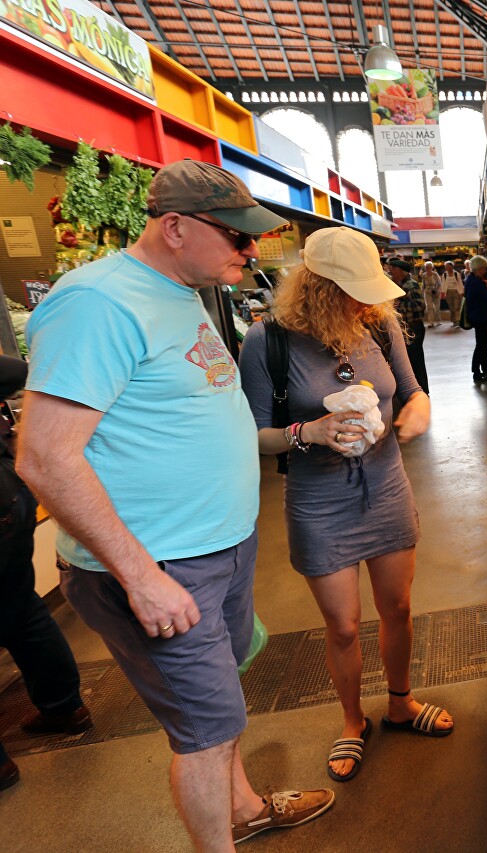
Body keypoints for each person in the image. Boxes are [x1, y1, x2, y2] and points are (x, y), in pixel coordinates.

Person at [16, 159, 334, 849]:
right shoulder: (98, 303)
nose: (250, 251)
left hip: (216, 547)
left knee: (220, 705)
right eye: (238, 238)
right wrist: (140, 576)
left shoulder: (181, 287)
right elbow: (44, 456)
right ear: (175, 227)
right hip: (162, 565)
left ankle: (244, 807)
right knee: (205, 730)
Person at [239, 227, 451, 784]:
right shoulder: (268, 342)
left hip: (385, 487)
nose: (364, 301)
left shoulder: (377, 324)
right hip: (318, 500)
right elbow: (255, 433)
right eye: (350, 291)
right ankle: (353, 721)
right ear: (316, 287)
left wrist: (420, 411)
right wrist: (310, 431)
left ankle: (401, 702)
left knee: (398, 608)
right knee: (342, 627)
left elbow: (412, 388)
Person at [0, 355, 93, 794]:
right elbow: (15, 372)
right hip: (7, 501)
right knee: (22, 610)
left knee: (21, 611)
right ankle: (62, 707)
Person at [386, 258, 430, 393]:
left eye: (392, 269)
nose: (390, 272)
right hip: (406, 328)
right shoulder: (398, 284)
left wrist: (400, 305)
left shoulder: (411, 285)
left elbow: (419, 305)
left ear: (400, 270)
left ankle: (422, 389)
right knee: (409, 359)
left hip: (414, 327)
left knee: (416, 359)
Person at [464, 255, 487, 382]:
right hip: (479, 316)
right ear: (479, 269)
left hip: (478, 316)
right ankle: (476, 372)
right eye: (484, 268)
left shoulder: (473, 279)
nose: (485, 271)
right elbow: (486, 296)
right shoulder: (474, 282)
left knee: (483, 344)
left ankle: (485, 369)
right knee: (481, 345)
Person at [421, 260, 443, 328]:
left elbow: (439, 284)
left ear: (432, 267)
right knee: (429, 307)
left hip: (436, 292)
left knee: (437, 307)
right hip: (427, 292)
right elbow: (423, 285)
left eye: (429, 267)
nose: (428, 268)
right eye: (427, 267)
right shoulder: (424, 275)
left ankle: (438, 321)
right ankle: (431, 322)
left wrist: (438, 292)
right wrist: (422, 292)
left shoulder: (435, 274)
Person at [442, 261, 464, 326]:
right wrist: (443, 293)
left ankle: (458, 320)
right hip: (448, 292)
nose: (446, 267)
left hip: (456, 291)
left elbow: (460, 283)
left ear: (451, 266)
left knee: (457, 307)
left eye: (447, 266)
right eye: (445, 266)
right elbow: (443, 284)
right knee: (451, 307)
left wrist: (461, 292)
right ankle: (454, 320)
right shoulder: (445, 275)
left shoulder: (456, 274)